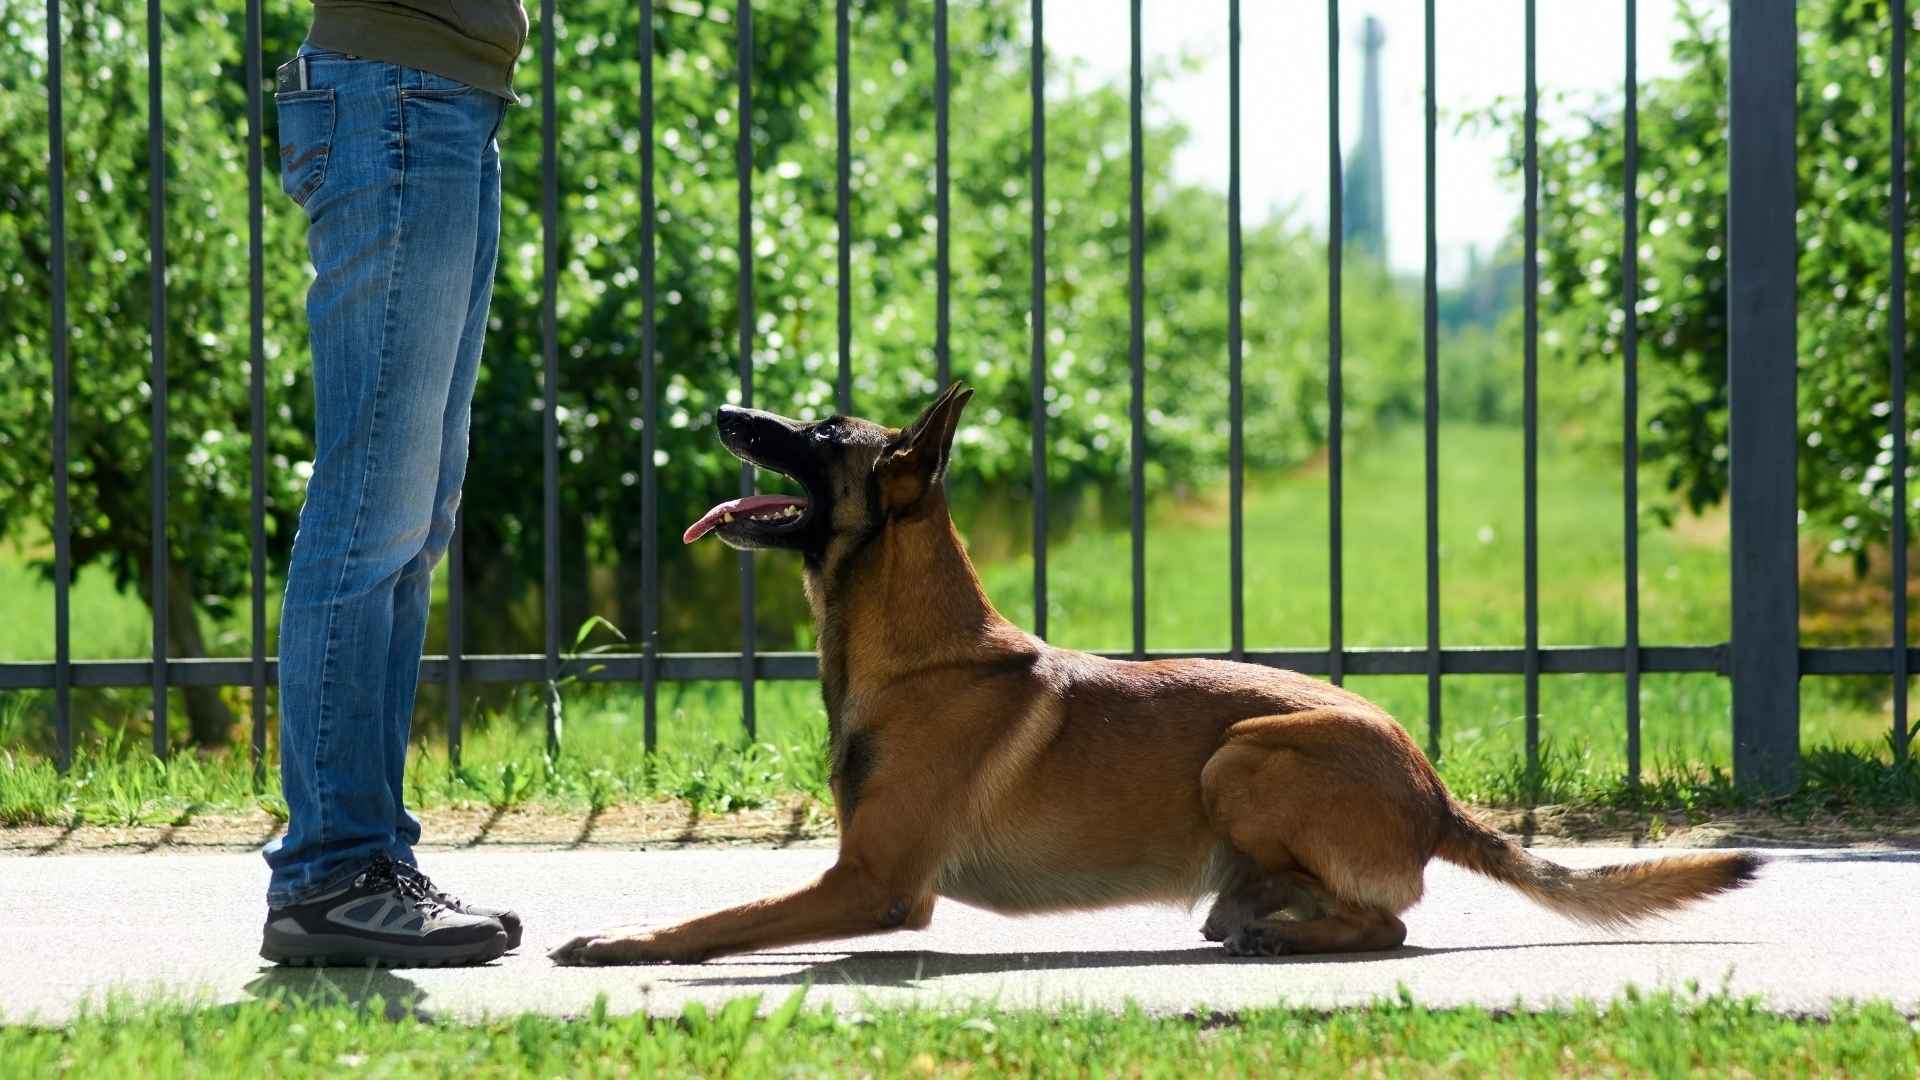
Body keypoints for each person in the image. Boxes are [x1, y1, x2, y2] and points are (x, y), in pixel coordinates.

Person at [260, 0, 528, 968]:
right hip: (397, 100)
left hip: (443, 101)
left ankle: (368, 863)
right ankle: (331, 872)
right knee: (373, 508)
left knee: (412, 521)